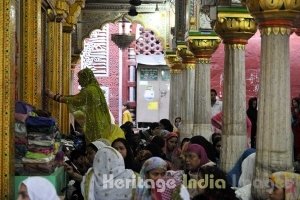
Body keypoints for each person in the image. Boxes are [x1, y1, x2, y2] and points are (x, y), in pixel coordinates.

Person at [45, 68, 124, 143]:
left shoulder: (89, 91)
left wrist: (53, 96)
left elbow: (74, 100)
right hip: (101, 123)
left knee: (94, 145)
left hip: (95, 123)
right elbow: (75, 97)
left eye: (80, 78)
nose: (78, 81)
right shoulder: (95, 89)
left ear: (85, 78)